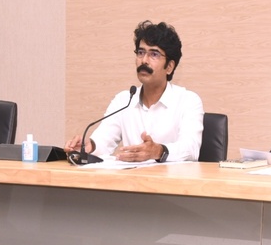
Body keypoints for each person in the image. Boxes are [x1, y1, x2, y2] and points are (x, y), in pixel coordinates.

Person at [64, 21, 204, 162]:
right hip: (131, 175)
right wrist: (89, 146)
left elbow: (191, 149)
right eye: (141, 53)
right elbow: (103, 140)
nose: (144, 60)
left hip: (171, 176)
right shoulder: (123, 100)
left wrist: (158, 151)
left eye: (154, 54)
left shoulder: (188, 101)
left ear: (169, 67)